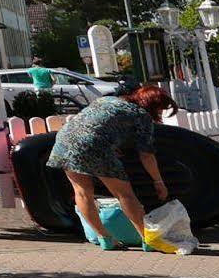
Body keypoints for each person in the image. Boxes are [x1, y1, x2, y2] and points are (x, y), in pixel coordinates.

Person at [46, 83, 178, 252]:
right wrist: (159, 181)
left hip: (64, 140)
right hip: (95, 146)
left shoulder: (107, 100)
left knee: (82, 192)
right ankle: (148, 240)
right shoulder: (141, 115)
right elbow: (146, 155)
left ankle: (105, 238)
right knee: (125, 195)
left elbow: (96, 123)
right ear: (152, 106)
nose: (160, 113)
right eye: (161, 109)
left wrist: (111, 141)